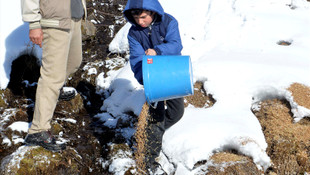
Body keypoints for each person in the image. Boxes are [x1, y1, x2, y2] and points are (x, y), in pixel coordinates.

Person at [123, 0, 184, 173]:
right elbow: (136, 59)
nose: (140, 22)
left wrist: (157, 51)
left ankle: (150, 134)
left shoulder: (169, 22)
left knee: (177, 113)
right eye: (136, 18)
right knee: (156, 117)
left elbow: (176, 45)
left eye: (143, 17)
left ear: (152, 12)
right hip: (153, 78)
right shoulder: (134, 33)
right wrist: (145, 80)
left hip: (172, 73)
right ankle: (149, 162)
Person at [21, 0, 87, 152]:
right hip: (54, 21)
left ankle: (56, 89)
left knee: (74, 62)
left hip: (73, 18)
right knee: (52, 76)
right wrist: (34, 24)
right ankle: (38, 130)